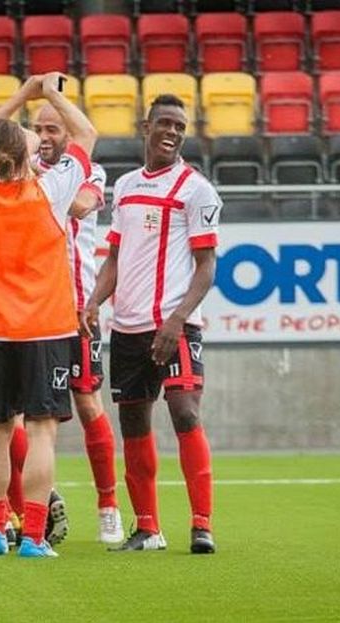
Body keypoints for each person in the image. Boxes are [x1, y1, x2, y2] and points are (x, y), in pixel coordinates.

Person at [0, 72, 96, 558]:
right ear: (26, 157)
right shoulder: (52, 190)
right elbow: (86, 135)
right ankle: (34, 537)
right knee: (41, 431)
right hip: (46, 326)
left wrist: (20, 95)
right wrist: (49, 92)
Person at [84, 94, 221, 554]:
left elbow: (206, 267)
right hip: (127, 328)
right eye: (164, 123)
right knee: (134, 425)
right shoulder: (123, 187)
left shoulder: (196, 189)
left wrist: (178, 320)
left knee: (185, 412)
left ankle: (202, 525)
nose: (172, 132)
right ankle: (148, 528)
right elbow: (116, 257)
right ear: (146, 127)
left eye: (180, 127)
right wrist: (93, 302)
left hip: (175, 325)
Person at [31, 103, 123, 544]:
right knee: (21, 414)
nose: (44, 136)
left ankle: (108, 504)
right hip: (31, 310)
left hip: (76, 309)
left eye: (53, 129)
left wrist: (39, 186)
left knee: (88, 403)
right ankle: (35, 499)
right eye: (37, 129)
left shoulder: (90, 172)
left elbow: (83, 206)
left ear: (71, 135)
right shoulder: (25, 169)